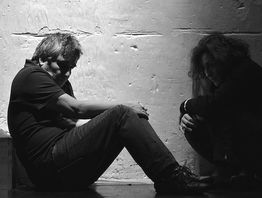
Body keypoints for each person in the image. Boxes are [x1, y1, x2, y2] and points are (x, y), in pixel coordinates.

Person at [7, 32, 209, 194]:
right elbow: (76, 108)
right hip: (49, 168)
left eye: (71, 67)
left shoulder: (61, 84)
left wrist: (111, 128)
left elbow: (72, 123)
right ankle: (172, 178)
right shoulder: (31, 75)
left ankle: (171, 177)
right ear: (42, 58)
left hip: (63, 168)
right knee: (122, 113)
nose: (67, 73)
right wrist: (124, 109)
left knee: (123, 119)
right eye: (62, 65)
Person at [179, 33, 262, 188]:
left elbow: (215, 105)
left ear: (222, 59)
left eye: (210, 65)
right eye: (204, 68)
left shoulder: (245, 71)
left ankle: (229, 173)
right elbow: (209, 107)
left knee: (222, 111)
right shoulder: (222, 85)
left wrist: (184, 105)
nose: (207, 73)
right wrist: (186, 116)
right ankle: (239, 173)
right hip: (260, 146)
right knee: (191, 123)